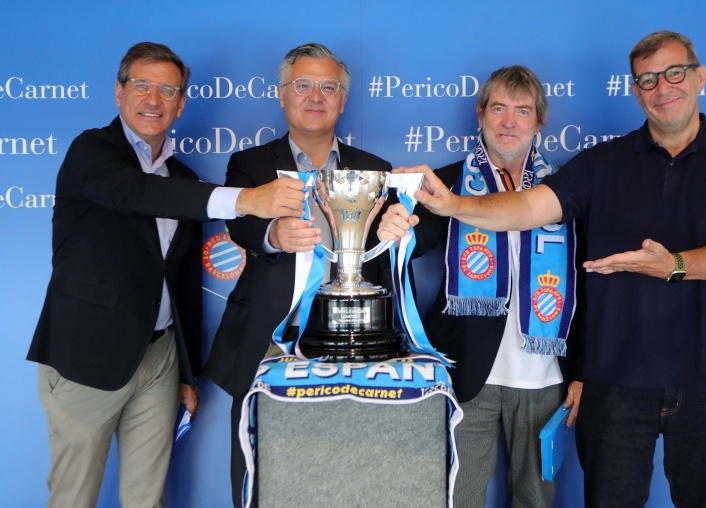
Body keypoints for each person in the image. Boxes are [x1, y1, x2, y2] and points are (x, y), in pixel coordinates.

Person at [379, 31, 706, 507]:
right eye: (648, 79)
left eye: (674, 73)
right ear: (635, 89)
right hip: (612, 383)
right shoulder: (599, 163)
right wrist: (449, 207)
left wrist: (673, 265)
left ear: (700, 77)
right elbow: (526, 209)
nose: (662, 87)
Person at [28, 42, 307, 508]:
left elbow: (183, 285)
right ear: (119, 92)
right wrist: (246, 200)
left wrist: (185, 372)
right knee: (73, 497)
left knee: (148, 499)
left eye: (168, 90)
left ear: (180, 104)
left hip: (159, 359)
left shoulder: (183, 175)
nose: (153, 99)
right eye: (142, 85)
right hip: (86, 354)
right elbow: (136, 193)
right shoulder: (91, 152)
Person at [379, 65, 583, 507]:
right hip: (467, 371)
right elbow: (414, 241)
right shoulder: (445, 184)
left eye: (522, 111)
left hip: (546, 379)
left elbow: (587, 288)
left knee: (537, 500)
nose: (509, 122)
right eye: (498, 109)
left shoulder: (568, 189)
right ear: (480, 114)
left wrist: (582, 372)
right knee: (460, 497)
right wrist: (396, 227)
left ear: (540, 121)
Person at [203, 43, 393, 508]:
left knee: (345, 473)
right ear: (282, 95)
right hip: (268, 341)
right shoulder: (249, 164)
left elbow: (388, 256)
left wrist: (401, 229)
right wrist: (272, 234)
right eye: (302, 85)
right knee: (260, 473)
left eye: (329, 87)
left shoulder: (377, 171)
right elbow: (241, 226)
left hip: (351, 344)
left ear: (343, 100)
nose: (315, 96)